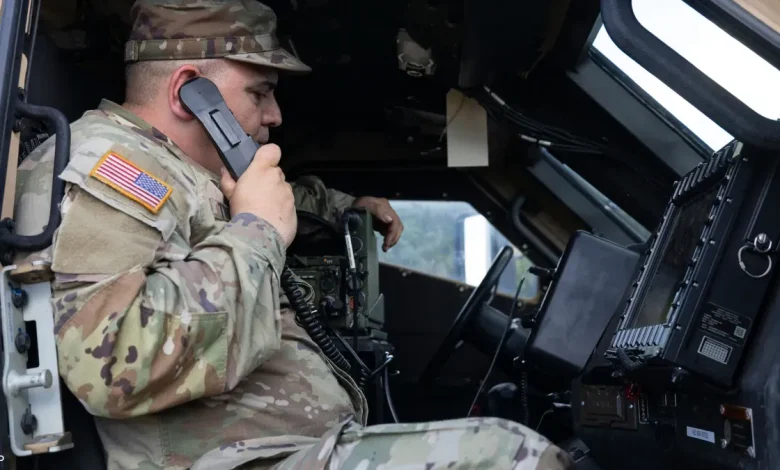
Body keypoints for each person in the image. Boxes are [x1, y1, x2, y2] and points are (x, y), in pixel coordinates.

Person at [11, 1, 576, 469]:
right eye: (260, 93)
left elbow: (233, 202)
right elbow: (110, 364)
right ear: (190, 92)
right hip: (242, 460)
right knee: (510, 456)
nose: (275, 114)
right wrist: (257, 232)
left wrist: (341, 208)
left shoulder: (174, 168)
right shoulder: (108, 169)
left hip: (283, 447)